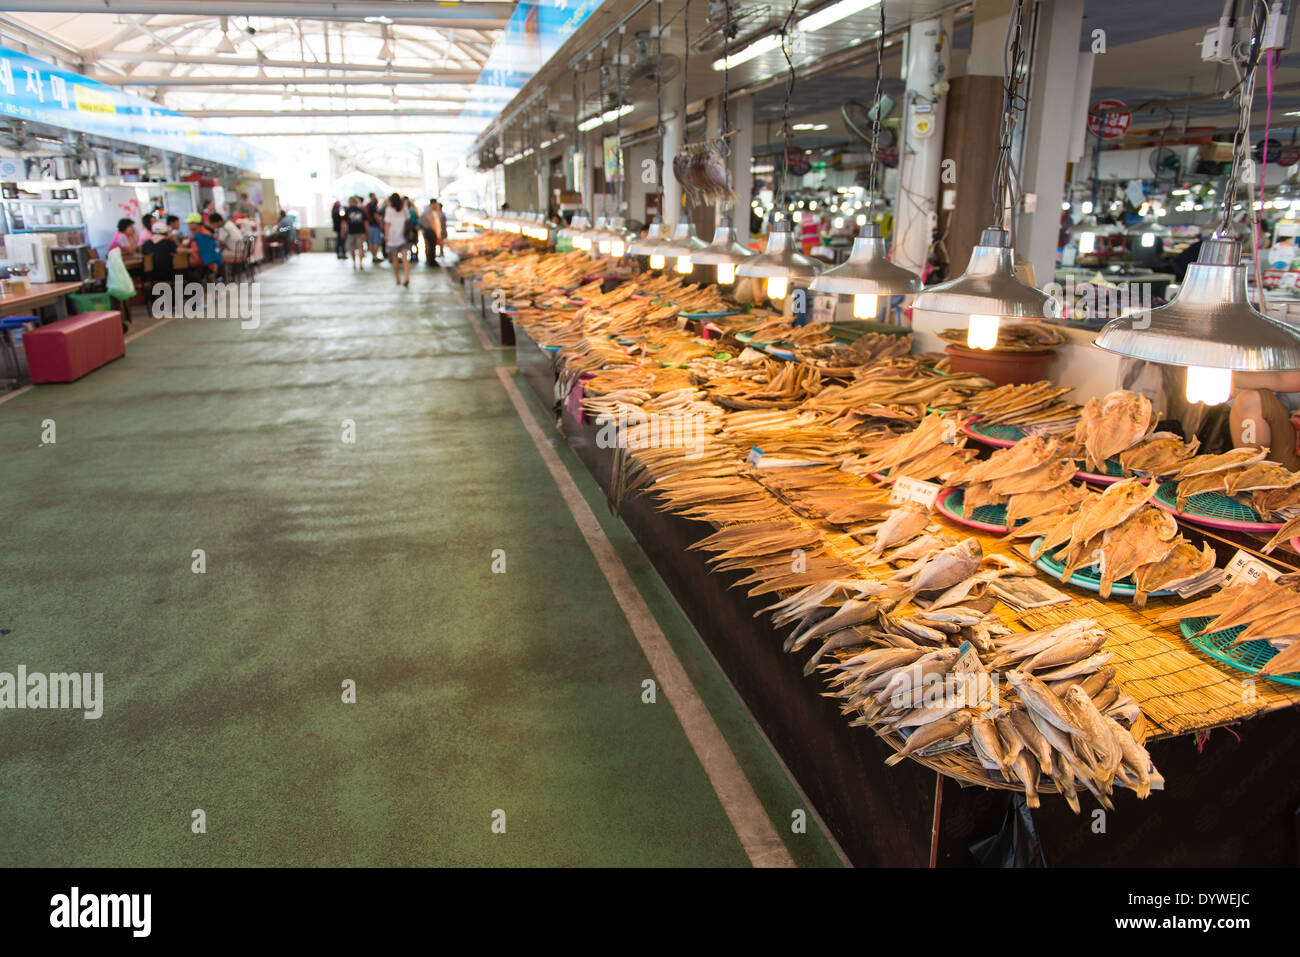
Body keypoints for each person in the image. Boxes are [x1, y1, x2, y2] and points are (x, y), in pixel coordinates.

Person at [383, 192, 411, 287]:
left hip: (392, 237)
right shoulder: (403, 208)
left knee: (395, 259)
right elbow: (408, 218)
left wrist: (386, 236)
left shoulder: (389, 210)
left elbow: (387, 224)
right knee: (405, 259)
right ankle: (407, 277)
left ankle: (398, 278)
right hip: (403, 235)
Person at [343, 195, 368, 270]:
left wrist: (343, 231)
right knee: (360, 247)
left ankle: (355, 263)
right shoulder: (361, 211)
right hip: (360, 232)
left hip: (352, 232)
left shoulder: (347, 211)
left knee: (352, 248)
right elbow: (366, 222)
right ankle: (360, 263)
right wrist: (367, 231)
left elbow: (344, 223)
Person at [420, 198, 442, 266]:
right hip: (429, 230)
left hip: (427, 230)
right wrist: (435, 231)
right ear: (433, 204)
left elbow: (422, 219)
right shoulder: (429, 211)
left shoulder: (427, 210)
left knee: (429, 246)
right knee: (431, 246)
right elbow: (431, 221)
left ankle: (430, 260)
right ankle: (431, 261)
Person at [365, 192, 384, 263]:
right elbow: (376, 215)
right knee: (375, 241)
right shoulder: (373, 206)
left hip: (370, 226)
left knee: (371, 242)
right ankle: (375, 256)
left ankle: (374, 256)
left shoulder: (368, 205)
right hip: (374, 226)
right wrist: (380, 223)